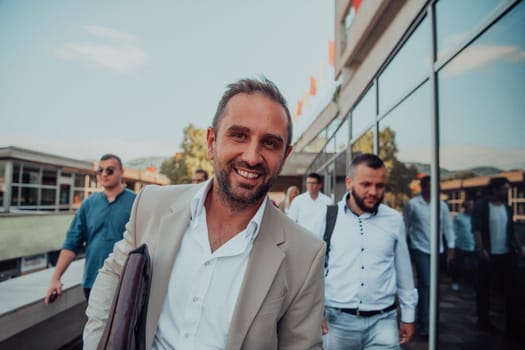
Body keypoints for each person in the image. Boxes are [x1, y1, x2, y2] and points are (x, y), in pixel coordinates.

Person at [83, 78, 326, 349]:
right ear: (212, 142)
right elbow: (113, 277)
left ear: (285, 157)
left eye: (270, 143)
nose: (252, 156)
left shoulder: (305, 254)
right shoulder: (152, 205)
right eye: (239, 135)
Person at [322, 153, 418, 349]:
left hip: (384, 322)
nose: (373, 192)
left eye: (379, 185)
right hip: (337, 322)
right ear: (349, 182)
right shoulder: (327, 217)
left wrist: (408, 316)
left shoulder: (394, 220)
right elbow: (310, 271)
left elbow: (404, 273)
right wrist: (314, 311)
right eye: (366, 184)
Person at [45, 154, 136, 303]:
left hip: (126, 281)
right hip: (93, 281)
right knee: (96, 326)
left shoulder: (135, 202)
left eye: (110, 170)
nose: (104, 174)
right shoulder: (88, 204)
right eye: (100, 170)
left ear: (122, 172)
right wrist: (55, 279)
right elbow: (72, 243)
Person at [403, 175, 455, 336]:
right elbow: (405, 226)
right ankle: (425, 324)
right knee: (426, 284)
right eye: (427, 185)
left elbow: (448, 227)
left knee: (433, 286)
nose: (430, 188)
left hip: (437, 250)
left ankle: (429, 320)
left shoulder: (442, 206)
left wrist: (451, 248)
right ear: (422, 187)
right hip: (419, 249)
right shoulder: (412, 204)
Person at [472, 177, 523, 337]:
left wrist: (517, 247)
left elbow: (510, 230)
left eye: (507, 189)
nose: (506, 191)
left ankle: (513, 326)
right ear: (494, 190)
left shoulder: (507, 208)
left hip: (506, 253)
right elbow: (477, 229)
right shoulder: (482, 206)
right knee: (484, 288)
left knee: (512, 289)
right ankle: (483, 321)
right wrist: (481, 249)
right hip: (488, 253)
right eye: (503, 189)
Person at [287, 172, 333, 237]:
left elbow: (331, 223)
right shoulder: (298, 201)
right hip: (302, 239)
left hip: (321, 241)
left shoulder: (328, 201)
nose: (310, 185)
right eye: (308, 183)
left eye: (313, 183)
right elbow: (290, 221)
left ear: (319, 185)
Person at [450, 199, 476, 292]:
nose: (471, 208)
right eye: (469, 206)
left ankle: (474, 285)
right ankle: (455, 282)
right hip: (461, 245)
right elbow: (453, 230)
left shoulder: (476, 217)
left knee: (475, 266)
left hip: (473, 245)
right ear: (465, 207)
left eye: (472, 206)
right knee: (459, 265)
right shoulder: (459, 217)